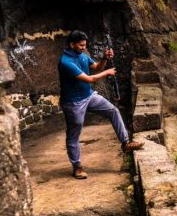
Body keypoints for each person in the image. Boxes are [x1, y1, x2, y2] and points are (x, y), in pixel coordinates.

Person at [58, 30, 143, 179]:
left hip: (89, 95)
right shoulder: (66, 62)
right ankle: (77, 167)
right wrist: (107, 73)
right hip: (73, 103)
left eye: (85, 45)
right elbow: (90, 79)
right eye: (81, 45)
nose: (84, 47)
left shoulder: (82, 55)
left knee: (113, 111)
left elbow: (97, 67)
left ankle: (125, 143)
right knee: (74, 134)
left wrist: (104, 58)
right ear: (72, 44)